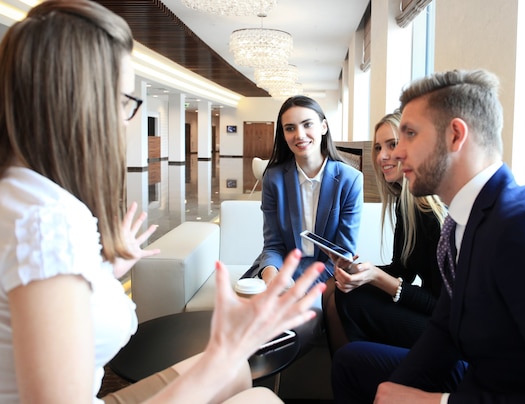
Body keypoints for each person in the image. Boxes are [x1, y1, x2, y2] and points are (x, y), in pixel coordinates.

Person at [0, 2, 326, 403]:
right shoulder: (47, 222)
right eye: (124, 101)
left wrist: (103, 271)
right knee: (257, 394)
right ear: (83, 103)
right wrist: (223, 352)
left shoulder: (24, 197)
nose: (126, 119)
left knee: (237, 372)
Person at [332, 69, 525, 403]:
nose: (396, 154)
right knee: (351, 365)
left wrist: (436, 402)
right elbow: (444, 327)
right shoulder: (462, 221)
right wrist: (395, 388)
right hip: (490, 373)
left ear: (455, 136)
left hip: (517, 387)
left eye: (410, 135)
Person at [326, 112, 446, 352]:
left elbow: (441, 305)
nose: (382, 156)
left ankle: (353, 368)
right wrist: (360, 271)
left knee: (349, 299)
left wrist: (376, 277)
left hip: (448, 328)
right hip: (433, 313)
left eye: (392, 145)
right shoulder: (406, 203)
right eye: (378, 147)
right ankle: (352, 368)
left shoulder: (433, 214)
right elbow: (403, 270)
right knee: (338, 287)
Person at [242, 95, 364, 285]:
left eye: (307, 124)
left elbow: (343, 252)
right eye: (290, 128)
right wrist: (271, 279)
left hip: (327, 272)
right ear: (283, 134)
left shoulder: (350, 179)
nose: (299, 134)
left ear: (323, 127)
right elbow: (273, 246)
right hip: (282, 267)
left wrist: (301, 287)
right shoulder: (273, 179)